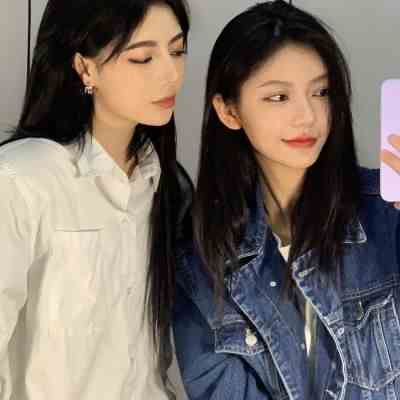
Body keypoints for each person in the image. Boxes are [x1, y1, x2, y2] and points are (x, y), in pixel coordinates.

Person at [173, 1, 400, 399]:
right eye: (278, 97)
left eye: (321, 91)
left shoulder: (385, 212)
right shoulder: (201, 261)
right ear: (229, 111)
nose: (307, 115)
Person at [0, 0, 191, 399]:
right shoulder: (21, 180)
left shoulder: (165, 184)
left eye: (177, 51)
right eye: (143, 58)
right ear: (85, 67)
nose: (171, 73)